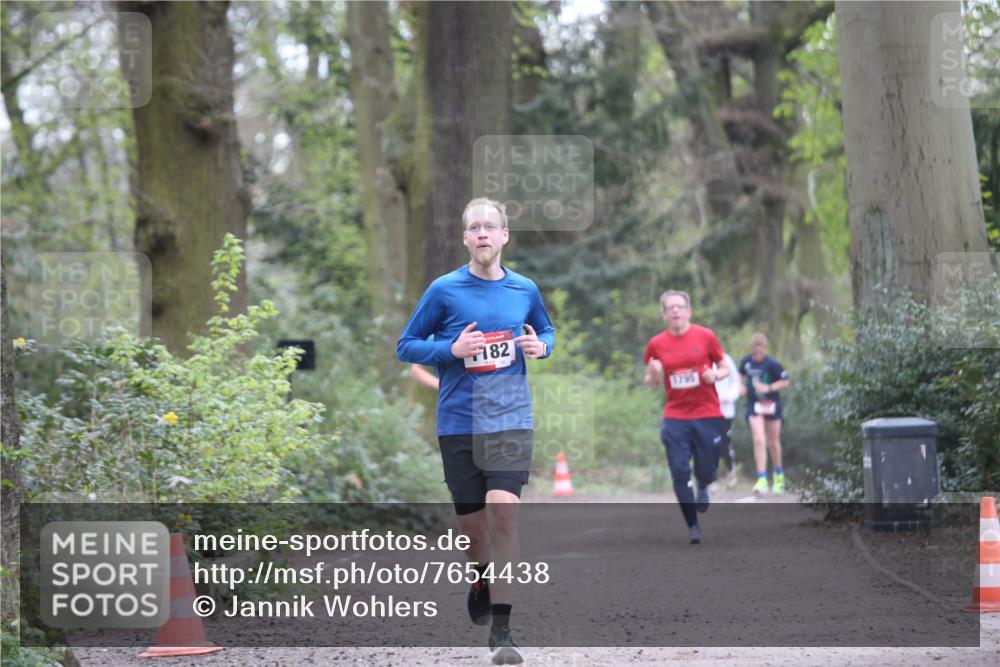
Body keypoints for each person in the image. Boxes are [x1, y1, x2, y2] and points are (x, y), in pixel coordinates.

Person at [396, 197, 555, 665]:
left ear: (505, 236)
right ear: (465, 238)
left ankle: (502, 633)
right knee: (473, 532)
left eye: (491, 227)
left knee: (503, 515)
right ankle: (480, 577)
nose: (483, 233)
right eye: (474, 228)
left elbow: (546, 331)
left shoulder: (524, 289)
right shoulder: (444, 290)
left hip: (510, 420)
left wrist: (539, 346)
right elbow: (406, 346)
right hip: (459, 424)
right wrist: (452, 348)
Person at [643, 290, 731, 544]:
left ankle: (703, 484)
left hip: (707, 413)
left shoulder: (706, 336)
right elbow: (651, 382)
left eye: (680, 306)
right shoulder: (656, 344)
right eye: (670, 308)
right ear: (664, 314)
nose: (675, 311)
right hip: (676, 416)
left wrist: (715, 376)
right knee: (680, 472)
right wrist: (653, 371)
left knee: (706, 469)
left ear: (688, 311)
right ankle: (692, 525)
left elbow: (724, 366)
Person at [737, 333, 790, 495]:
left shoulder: (772, 364)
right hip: (754, 405)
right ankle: (761, 479)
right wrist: (740, 386)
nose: (757, 354)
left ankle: (779, 476)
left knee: (773, 442)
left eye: (760, 351)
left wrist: (769, 388)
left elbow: (785, 381)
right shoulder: (746, 362)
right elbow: (740, 374)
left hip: (771, 404)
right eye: (755, 351)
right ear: (751, 349)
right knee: (759, 439)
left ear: (765, 349)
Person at [715, 351, 740, 485]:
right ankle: (712, 477)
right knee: (710, 443)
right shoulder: (701, 358)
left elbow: (735, 381)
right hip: (707, 410)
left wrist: (729, 396)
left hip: (725, 410)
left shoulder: (725, 359)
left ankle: (730, 471)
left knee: (725, 442)